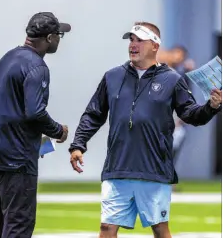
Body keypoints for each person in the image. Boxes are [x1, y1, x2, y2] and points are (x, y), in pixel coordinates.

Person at [68, 22, 222, 238]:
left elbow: (191, 114)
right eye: (131, 39)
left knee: (160, 229)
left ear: (155, 45)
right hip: (117, 168)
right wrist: (78, 145)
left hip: (154, 170)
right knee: (106, 228)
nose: (133, 44)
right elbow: (93, 114)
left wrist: (212, 106)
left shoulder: (172, 79)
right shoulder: (112, 77)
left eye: (140, 39)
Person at [0, 12, 71, 238]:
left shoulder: (6, 58)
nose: (59, 40)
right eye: (59, 35)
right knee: (18, 224)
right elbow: (35, 112)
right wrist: (58, 131)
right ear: (48, 38)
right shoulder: (37, 66)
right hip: (15, 159)